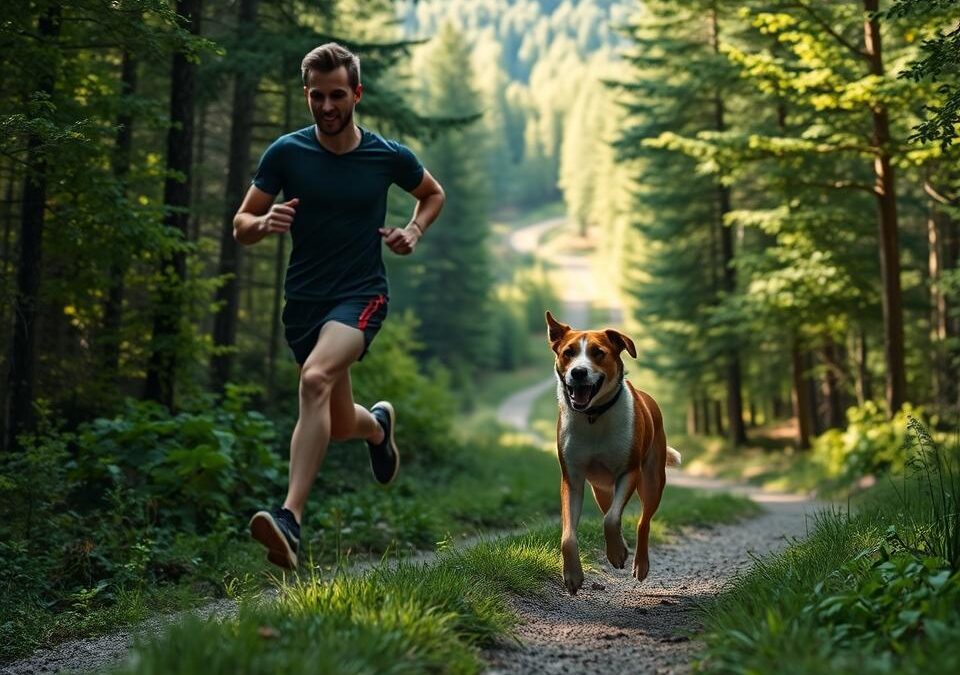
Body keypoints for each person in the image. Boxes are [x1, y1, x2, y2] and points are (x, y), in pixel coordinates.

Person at [234, 42, 445, 569]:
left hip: (362, 295)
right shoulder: (286, 153)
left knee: (313, 379)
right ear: (306, 95)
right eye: (316, 97)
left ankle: (290, 519)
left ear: (356, 93)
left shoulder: (386, 156)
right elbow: (242, 224)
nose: (327, 107)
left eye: (337, 96)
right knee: (338, 419)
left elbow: (433, 193)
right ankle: (376, 427)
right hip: (304, 303)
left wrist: (414, 231)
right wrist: (263, 223)